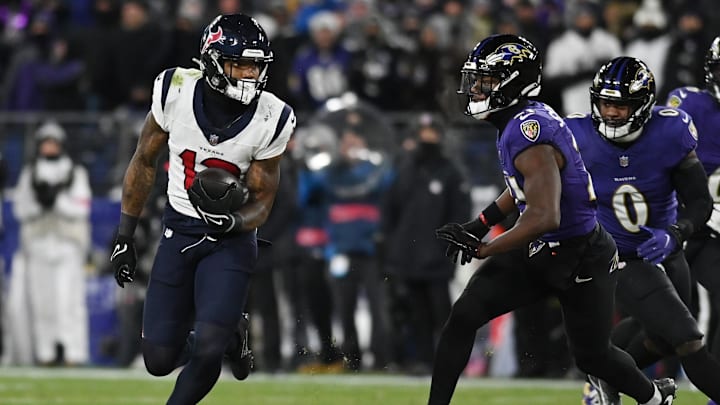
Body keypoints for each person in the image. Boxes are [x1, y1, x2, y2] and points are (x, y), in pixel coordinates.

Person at [430, 34, 676, 405]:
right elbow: (522, 189)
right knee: (463, 316)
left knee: (593, 357)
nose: (477, 89)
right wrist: (481, 222)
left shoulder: (528, 132)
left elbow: (545, 215)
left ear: (512, 81)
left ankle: (656, 399)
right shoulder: (520, 121)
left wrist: (487, 247)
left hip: (581, 255)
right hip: (545, 248)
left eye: (486, 81)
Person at [108, 14, 295, 405]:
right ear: (212, 61)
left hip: (232, 241)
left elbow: (263, 198)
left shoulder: (271, 116)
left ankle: (219, 337)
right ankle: (231, 333)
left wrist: (234, 220)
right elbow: (143, 161)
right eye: (240, 63)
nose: (250, 73)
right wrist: (125, 235)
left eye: (256, 65)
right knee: (158, 360)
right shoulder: (174, 90)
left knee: (207, 349)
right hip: (180, 231)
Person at [566, 56, 720, 405]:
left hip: (666, 249)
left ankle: (602, 375)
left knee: (661, 338)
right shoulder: (576, 135)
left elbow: (699, 201)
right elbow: (534, 186)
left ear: (644, 105)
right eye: (606, 103)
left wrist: (677, 233)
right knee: (687, 339)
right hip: (617, 255)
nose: (612, 113)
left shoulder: (670, 131)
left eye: (621, 105)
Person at [381, 114, 471, 374]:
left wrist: (448, 249)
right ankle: (422, 360)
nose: (427, 136)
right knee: (415, 313)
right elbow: (390, 211)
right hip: (407, 256)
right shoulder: (404, 168)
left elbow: (459, 215)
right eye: (423, 131)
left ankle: (448, 361)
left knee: (441, 312)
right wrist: (392, 246)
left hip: (436, 258)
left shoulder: (450, 172)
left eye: (432, 131)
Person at [13, 121, 91, 366]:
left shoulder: (75, 172)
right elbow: (20, 208)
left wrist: (57, 201)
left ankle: (73, 352)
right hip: (38, 243)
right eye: (45, 142)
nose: (49, 147)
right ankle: (45, 352)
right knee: (42, 301)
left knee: (70, 301)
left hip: (67, 244)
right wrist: (40, 204)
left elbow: (82, 207)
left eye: (54, 142)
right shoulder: (30, 173)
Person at [666, 35, 720, 375]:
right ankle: (604, 373)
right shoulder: (689, 105)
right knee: (661, 322)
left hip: (715, 230)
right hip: (682, 222)